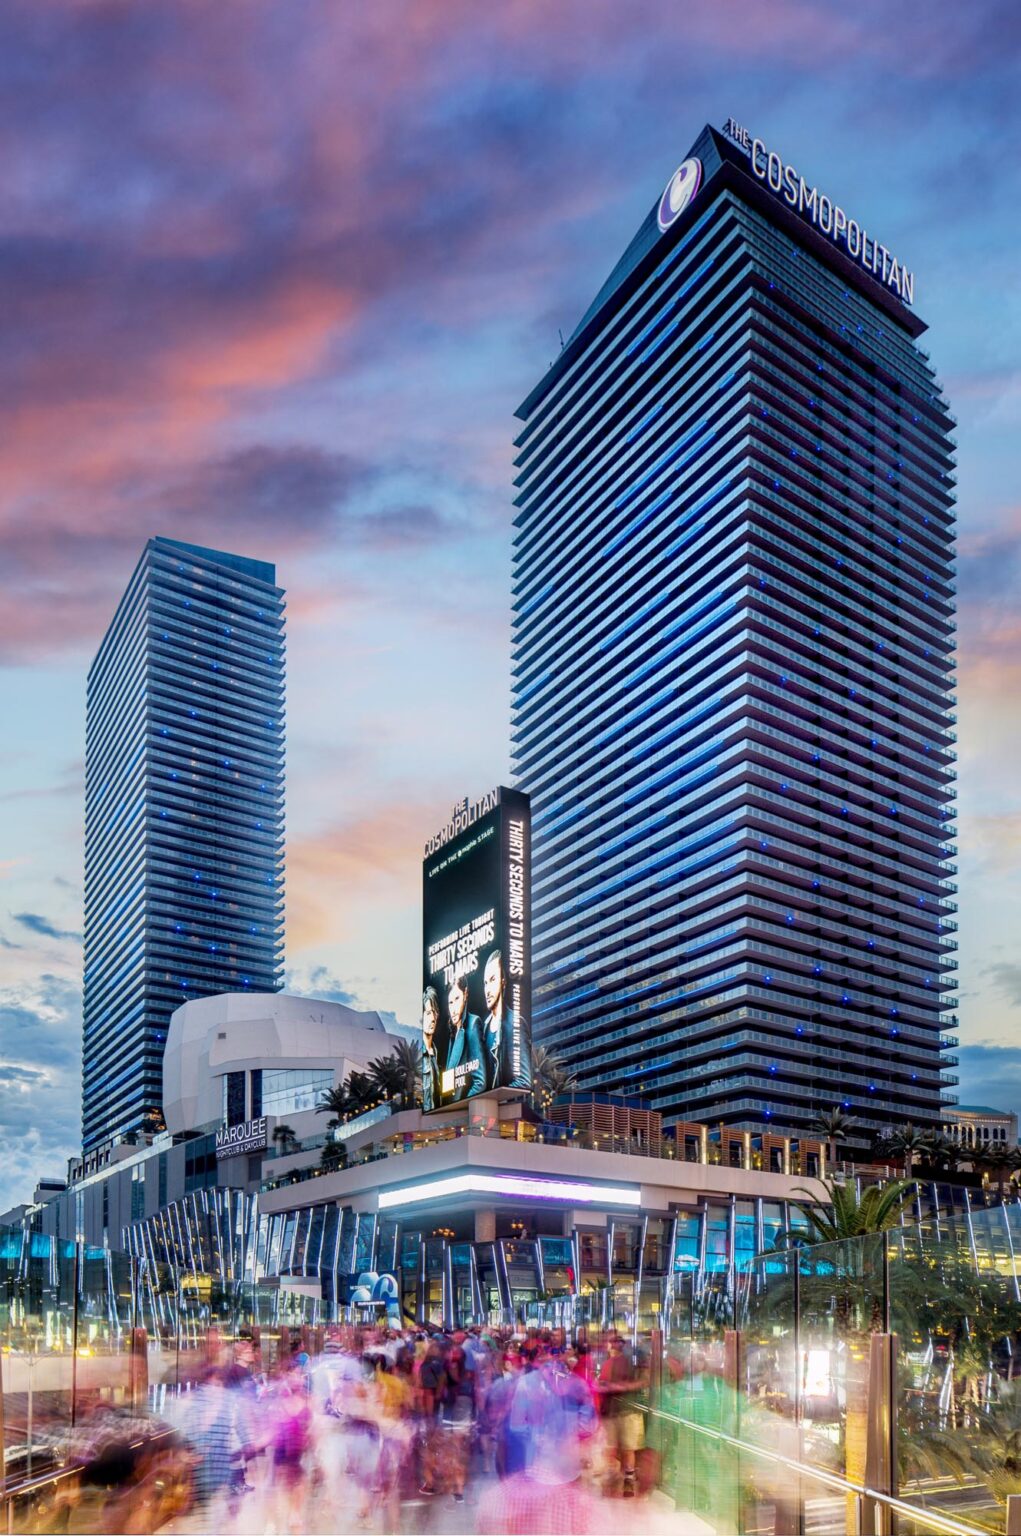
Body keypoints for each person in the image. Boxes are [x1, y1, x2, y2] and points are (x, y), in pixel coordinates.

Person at [480, 950, 529, 1092]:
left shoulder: (514, 1024)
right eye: (485, 983)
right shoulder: (483, 1028)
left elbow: (524, 1080)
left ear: (503, 982)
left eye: (492, 980)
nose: (487, 990)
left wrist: (498, 1093)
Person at [443, 973, 485, 1101]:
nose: (453, 1008)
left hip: (467, 1112)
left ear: (465, 994)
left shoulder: (472, 1025)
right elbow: (448, 1086)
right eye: (450, 1002)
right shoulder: (453, 1034)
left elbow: (480, 1081)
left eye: (457, 999)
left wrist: (464, 1105)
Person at [421, 986, 443, 1111]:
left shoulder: (436, 1053)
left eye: (435, 1012)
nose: (433, 1019)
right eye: (428, 1013)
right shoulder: (419, 1055)